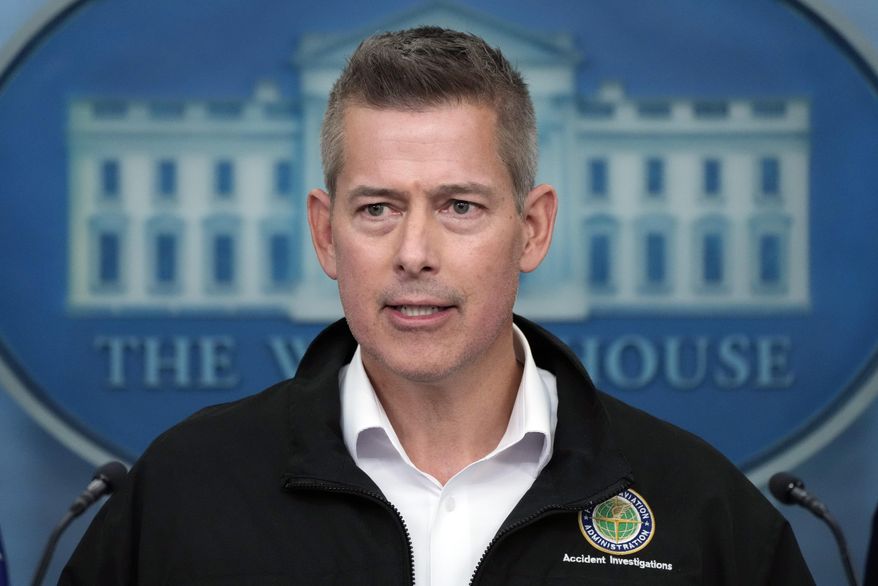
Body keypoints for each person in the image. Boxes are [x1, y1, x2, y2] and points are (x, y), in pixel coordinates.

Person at [61, 26, 814, 585]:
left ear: (532, 229)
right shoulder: (182, 492)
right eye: (378, 209)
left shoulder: (702, 511)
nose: (414, 252)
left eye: (459, 206)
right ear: (326, 235)